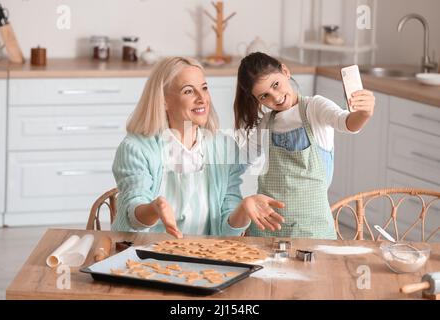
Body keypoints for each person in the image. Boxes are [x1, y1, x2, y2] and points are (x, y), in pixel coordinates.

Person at [111, 56, 286, 238]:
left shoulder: (224, 147)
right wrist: (154, 209)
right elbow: (131, 214)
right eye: (188, 91)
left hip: (201, 258)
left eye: (204, 88)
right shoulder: (136, 148)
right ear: (163, 100)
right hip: (145, 257)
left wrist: (243, 209)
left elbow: (225, 232)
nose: (202, 98)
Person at [233, 52, 375, 239]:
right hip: (266, 231)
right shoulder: (265, 123)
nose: (275, 97)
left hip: (312, 232)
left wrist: (364, 114)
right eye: (264, 96)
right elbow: (239, 161)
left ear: (285, 71)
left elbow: (346, 122)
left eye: (276, 85)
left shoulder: (314, 109)